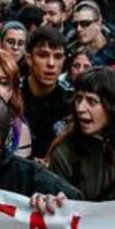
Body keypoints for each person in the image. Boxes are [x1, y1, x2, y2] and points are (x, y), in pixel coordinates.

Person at [45, 67, 115, 201]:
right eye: (78, 99)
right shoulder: (64, 153)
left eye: (92, 101)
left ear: (114, 106)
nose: (80, 108)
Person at [21, 27, 74, 161]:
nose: (51, 64)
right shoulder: (13, 94)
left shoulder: (71, 100)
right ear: (29, 58)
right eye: (43, 55)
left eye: (58, 57)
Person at [70, 2, 115, 67]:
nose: (78, 29)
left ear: (99, 22)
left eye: (84, 23)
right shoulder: (71, 50)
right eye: (75, 25)